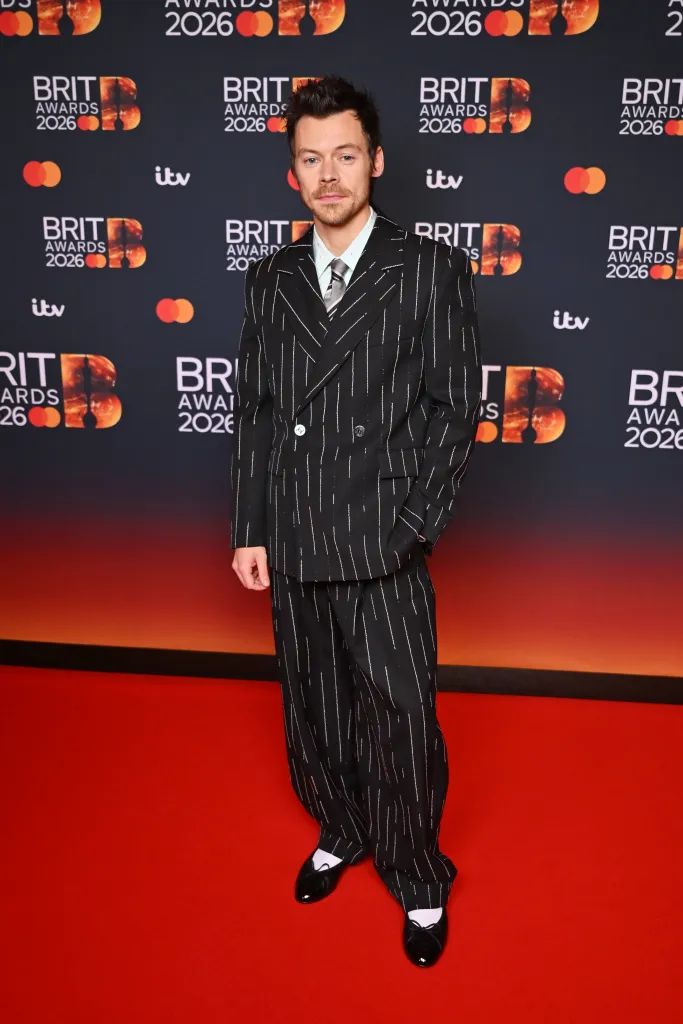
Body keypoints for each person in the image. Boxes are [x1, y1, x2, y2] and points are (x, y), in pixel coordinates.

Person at [230, 76, 482, 968]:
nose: (328, 174)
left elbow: (457, 408)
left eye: (344, 155)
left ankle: (417, 876)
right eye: (310, 158)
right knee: (314, 708)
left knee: (401, 715)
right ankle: (341, 827)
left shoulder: (429, 268)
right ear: (291, 173)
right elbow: (257, 411)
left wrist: (413, 521)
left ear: (375, 161)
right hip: (293, 534)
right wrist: (248, 527)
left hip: (382, 535)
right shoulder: (269, 279)